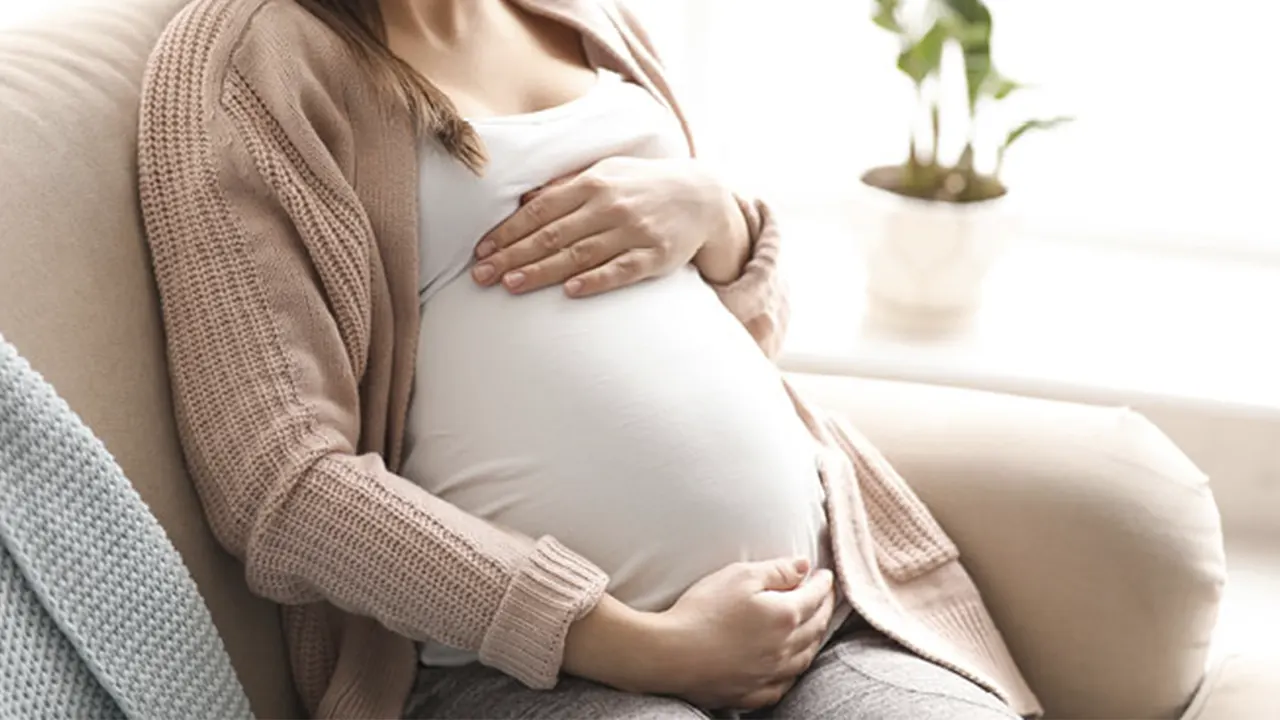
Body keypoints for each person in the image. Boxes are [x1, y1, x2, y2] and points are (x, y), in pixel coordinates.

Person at [137, 0, 1043, 718]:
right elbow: (277, 484)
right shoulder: (242, 69)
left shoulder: (588, 18)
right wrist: (635, 643)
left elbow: (751, 338)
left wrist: (719, 216)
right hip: (521, 674)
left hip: (825, 620)